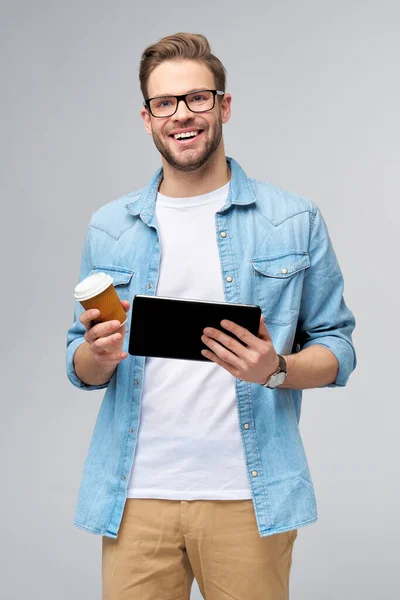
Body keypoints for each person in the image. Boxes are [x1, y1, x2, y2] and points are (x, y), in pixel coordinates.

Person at [66, 32, 357, 600]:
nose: (183, 115)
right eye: (165, 103)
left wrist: (274, 370)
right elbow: (79, 362)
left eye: (198, 98)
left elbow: (338, 348)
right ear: (147, 118)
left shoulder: (293, 219)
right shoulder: (109, 227)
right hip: (134, 497)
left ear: (223, 105)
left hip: (248, 497)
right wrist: (95, 355)